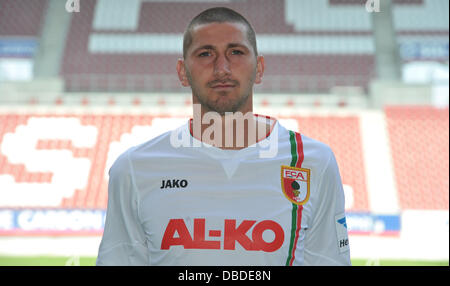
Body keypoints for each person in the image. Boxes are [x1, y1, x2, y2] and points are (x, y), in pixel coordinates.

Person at [96, 7, 351, 266]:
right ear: (183, 72)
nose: (222, 68)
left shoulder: (313, 163)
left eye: (236, 52)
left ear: (259, 68)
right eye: (206, 53)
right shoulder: (134, 169)